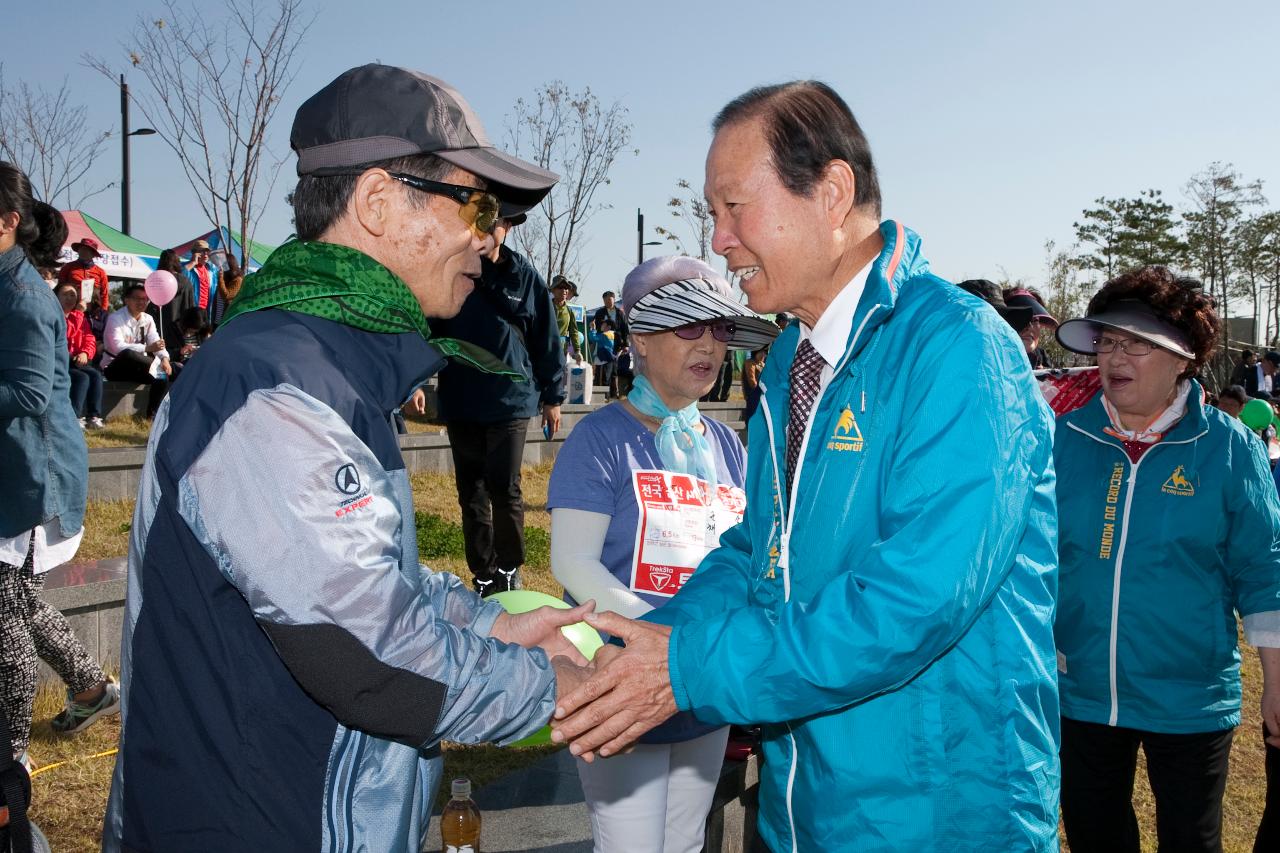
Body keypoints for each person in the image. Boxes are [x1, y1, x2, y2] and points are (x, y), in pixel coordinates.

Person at [550, 81, 1062, 851]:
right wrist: (635, 647)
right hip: (811, 801)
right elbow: (759, 550)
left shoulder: (958, 348)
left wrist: (687, 667)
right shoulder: (791, 357)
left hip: (938, 812)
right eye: (712, 215)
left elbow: (916, 598)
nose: (718, 239)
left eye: (734, 207)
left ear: (830, 192)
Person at [102, 64, 599, 852]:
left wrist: (490, 625)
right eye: (478, 206)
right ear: (375, 202)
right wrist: (572, 689)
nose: (492, 238)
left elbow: (372, 578)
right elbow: (371, 656)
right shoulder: (276, 387)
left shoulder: (330, 368)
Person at [548, 255, 777, 853]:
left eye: (720, 329)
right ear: (641, 341)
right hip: (621, 678)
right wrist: (659, 638)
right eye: (688, 327)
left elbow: (750, 551)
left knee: (683, 843)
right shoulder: (598, 439)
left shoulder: (729, 444)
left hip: (703, 680)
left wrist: (699, 649)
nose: (709, 345)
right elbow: (573, 564)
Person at [1052, 265, 1280, 852]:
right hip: (1080, 692)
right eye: (1107, 341)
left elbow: (1264, 569)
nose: (1115, 358)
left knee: (1190, 841)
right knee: (1095, 835)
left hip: (1190, 699)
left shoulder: (1230, 449)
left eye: (1138, 344)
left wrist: (1277, 681)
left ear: (1184, 359)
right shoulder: (1063, 439)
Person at [1, 163, 119, 774]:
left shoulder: (22, 297)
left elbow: (26, 394)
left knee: (6, 621)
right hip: (18, 470)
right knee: (15, 602)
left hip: (33, 479)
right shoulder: (9, 284)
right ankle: (92, 689)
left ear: (7, 222)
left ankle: (11, 754)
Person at [429, 211, 566, 596]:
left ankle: (510, 567)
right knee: (469, 491)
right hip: (461, 400)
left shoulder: (524, 277)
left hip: (511, 400)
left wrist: (552, 398)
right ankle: (484, 573)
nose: (489, 230)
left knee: (505, 488)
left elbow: (547, 338)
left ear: (507, 229)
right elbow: (429, 326)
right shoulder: (452, 270)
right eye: (482, 220)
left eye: (497, 223)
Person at [100, 281, 173, 419]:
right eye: (137, 299)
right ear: (127, 300)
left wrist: (164, 358)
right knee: (128, 354)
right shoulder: (115, 318)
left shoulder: (148, 319)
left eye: (145, 299)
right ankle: (166, 367)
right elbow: (117, 347)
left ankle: (152, 415)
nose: (142, 302)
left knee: (161, 376)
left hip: (140, 366)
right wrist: (147, 348)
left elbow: (155, 341)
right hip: (115, 366)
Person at [55, 282, 105, 428]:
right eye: (65, 294)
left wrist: (85, 352)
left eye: (73, 295)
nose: (69, 298)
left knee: (95, 375)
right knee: (82, 378)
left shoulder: (80, 317)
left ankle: (94, 416)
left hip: (77, 360)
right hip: (59, 361)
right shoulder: (55, 316)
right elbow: (64, 336)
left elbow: (89, 339)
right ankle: (74, 416)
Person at [148, 248, 196, 353]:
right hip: (181, 330)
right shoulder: (186, 281)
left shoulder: (157, 280)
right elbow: (191, 306)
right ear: (176, 262)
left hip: (159, 330)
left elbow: (151, 308)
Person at [1004, 286, 1058, 369]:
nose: (1030, 327)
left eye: (1035, 320)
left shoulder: (1042, 359)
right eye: (1021, 318)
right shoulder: (988, 361)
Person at [57, 236, 109, 310]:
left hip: (94, 310)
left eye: (87, 250)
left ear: (93, 254)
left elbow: (104, 294)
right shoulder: (67, 267)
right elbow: (60, 288)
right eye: (81, 248)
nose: (83, 251)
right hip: (72, 307)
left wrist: (104, 312)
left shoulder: (101, 272)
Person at [183, 238, 220, 320]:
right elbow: (179, 278)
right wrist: (193, 263)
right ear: (195, 253)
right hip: (192, 312)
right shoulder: (187, 267)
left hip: (207, 313)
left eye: (207, 251)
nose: (206, 254)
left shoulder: (212, 270)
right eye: (202, 251)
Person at [552, 274, 583, 360]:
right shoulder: (545, 307)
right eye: (560, 287)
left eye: (566, 288)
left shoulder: (569, 311)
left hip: (562, 352)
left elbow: (574, 332)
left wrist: (577, 351)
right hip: (546, 351)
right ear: (553, 290)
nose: (564, 290)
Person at [740, 346, 767, 420]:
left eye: (764, 353)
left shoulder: (763, 364)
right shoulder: (750, 363)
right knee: (751, 415)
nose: (763, 355)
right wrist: (760, 391)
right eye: (761, 353)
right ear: (756, 352)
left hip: (761, 394)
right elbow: (752, 381)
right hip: (752, 394)